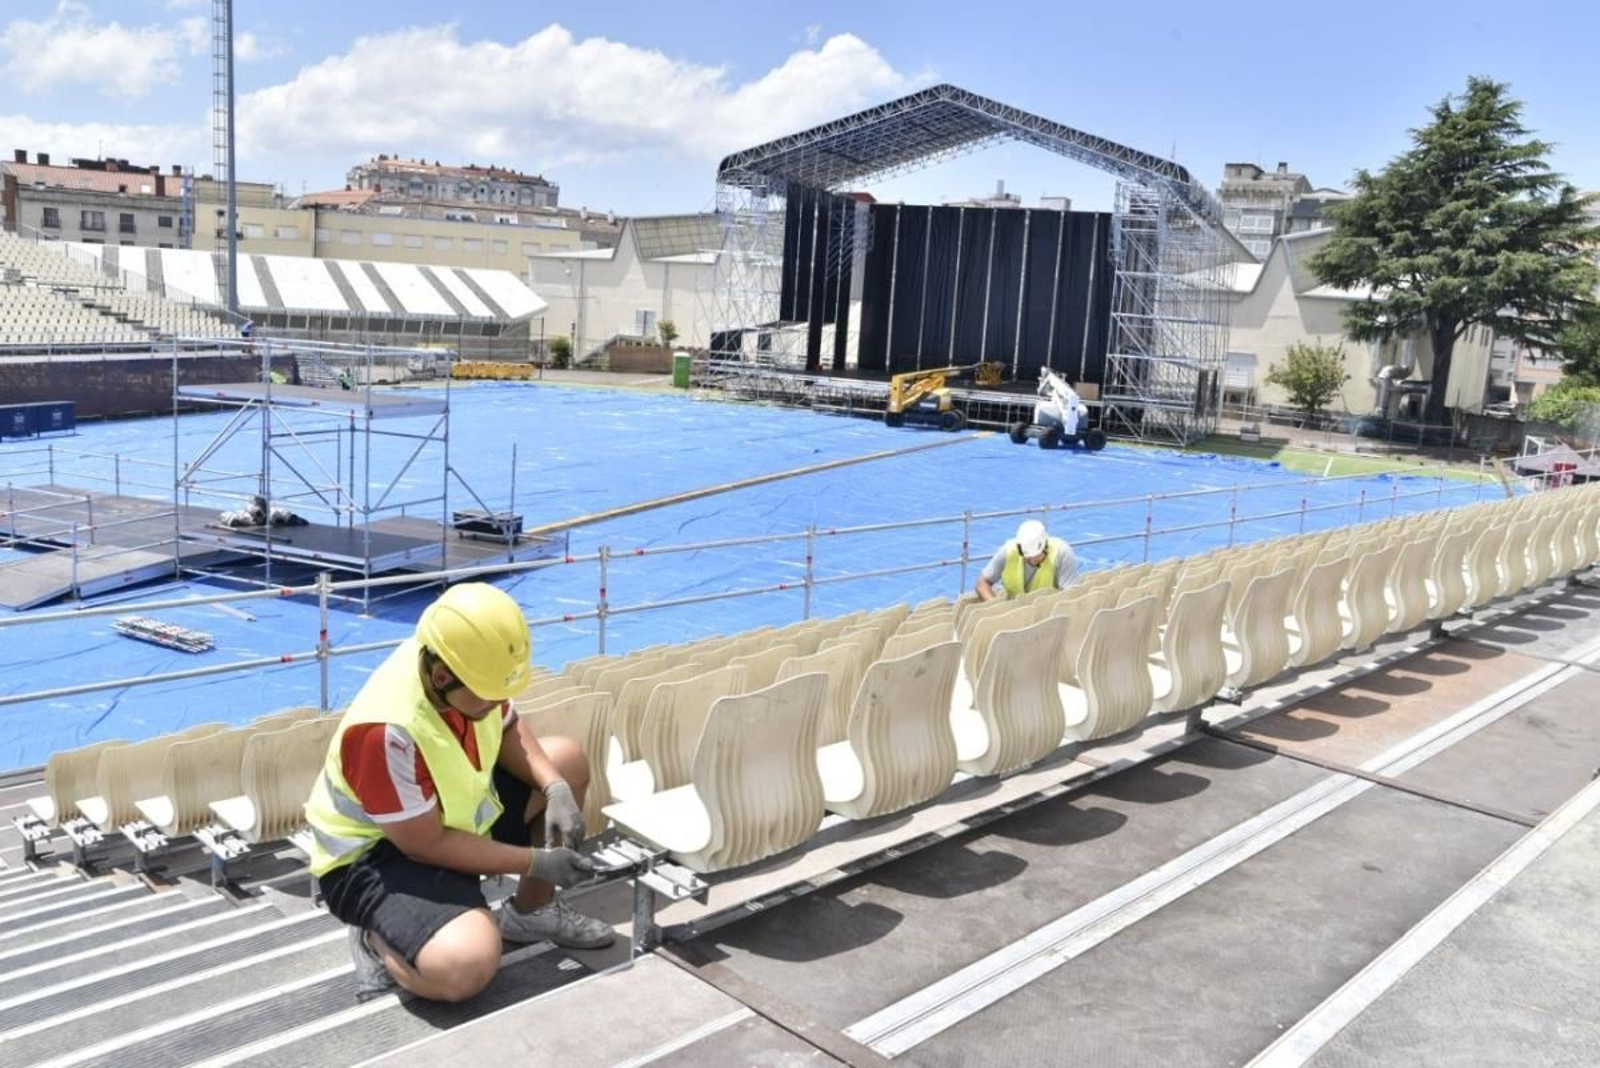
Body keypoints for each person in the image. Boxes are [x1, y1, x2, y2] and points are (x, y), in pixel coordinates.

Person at [304, 582, 612, 1004]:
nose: (498, 702)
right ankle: (377, 939)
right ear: (442, 676)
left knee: (565, 761)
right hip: (375, 858)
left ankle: (531, 914)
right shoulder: (385, 731)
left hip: (447, 818)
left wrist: (554, 786)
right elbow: (425, 844)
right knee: (465, 967)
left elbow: (506, 726)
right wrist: (538, 860)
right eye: (488, 695)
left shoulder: (461, 664)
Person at [974, 519, 1078, 601]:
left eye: (1036, 556)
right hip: (1016, 614)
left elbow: (1070, 598)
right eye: (1028, 557)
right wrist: (995, 607)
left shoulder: (1062, 553)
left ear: (1046, 546)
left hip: (1047, 614)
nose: (1032, 560)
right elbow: (982, 583)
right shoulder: (1008, 552)